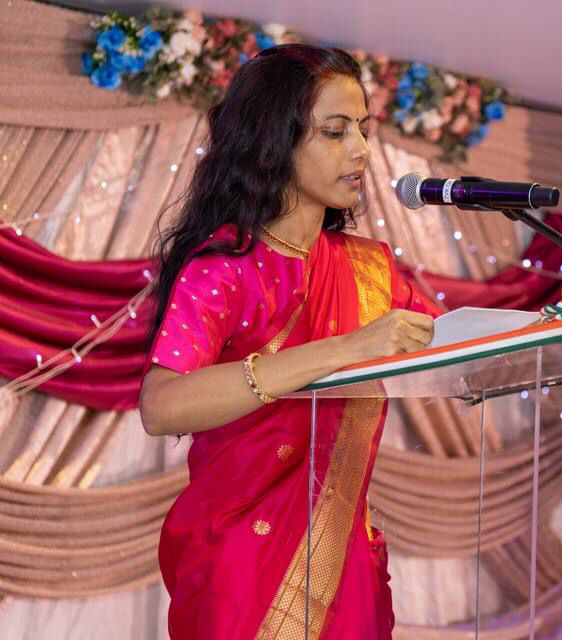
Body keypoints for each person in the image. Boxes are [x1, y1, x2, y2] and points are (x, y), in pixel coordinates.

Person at [139, 44, 436, 640]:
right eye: (335, 131)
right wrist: (342, 351)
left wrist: (560, 324)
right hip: (242, 566)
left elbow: (458, 346)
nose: (361, 149)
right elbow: (162, 405)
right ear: (275, 141)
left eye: (363, 128)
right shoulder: (225, 267)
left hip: (343, 560)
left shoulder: (370, 270)